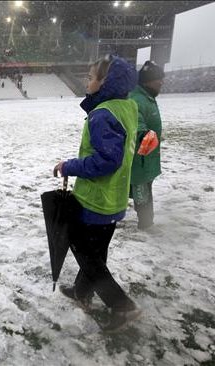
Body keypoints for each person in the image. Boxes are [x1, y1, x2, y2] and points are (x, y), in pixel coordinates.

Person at [53, 55, 141, 333]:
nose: (86, 81)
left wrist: (69, 165)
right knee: (96, 252)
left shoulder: (103, 114)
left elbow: (106, 161)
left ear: (106, 83)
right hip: (113, 199)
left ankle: (121, 305)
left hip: (95, 201)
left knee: (86, 255)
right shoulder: (127, 108)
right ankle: (82, 292)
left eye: (91, 77)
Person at [129, 61, 165, 230]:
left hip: (147, 158)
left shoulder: (147, 97)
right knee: (141, 193)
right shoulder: (137, 99)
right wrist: (146, 135)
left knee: (144, 190)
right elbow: (137, 127)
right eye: (158, 78)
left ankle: (146, 221)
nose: (161, 82)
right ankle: (146, 224)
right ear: (147, 81)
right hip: (139, 161)